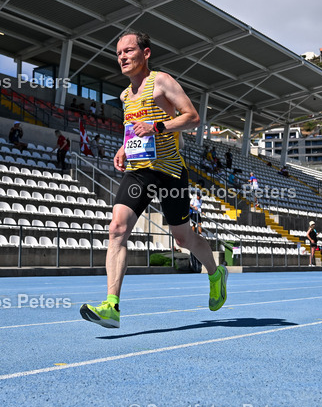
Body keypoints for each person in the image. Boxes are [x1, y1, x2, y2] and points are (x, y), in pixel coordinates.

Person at [80, 30, 228, 328]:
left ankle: (215, 273)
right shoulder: (124, 95)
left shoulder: (161, 81)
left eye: (129, 51)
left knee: (183, 238)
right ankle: (112, 306)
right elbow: (134, 129)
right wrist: (123, 148)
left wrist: (158, 126)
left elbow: (193, 118)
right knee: (117, 228)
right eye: (118, 52)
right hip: (140, 171)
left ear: (145, 53)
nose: (122, 56)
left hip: (170, 171)